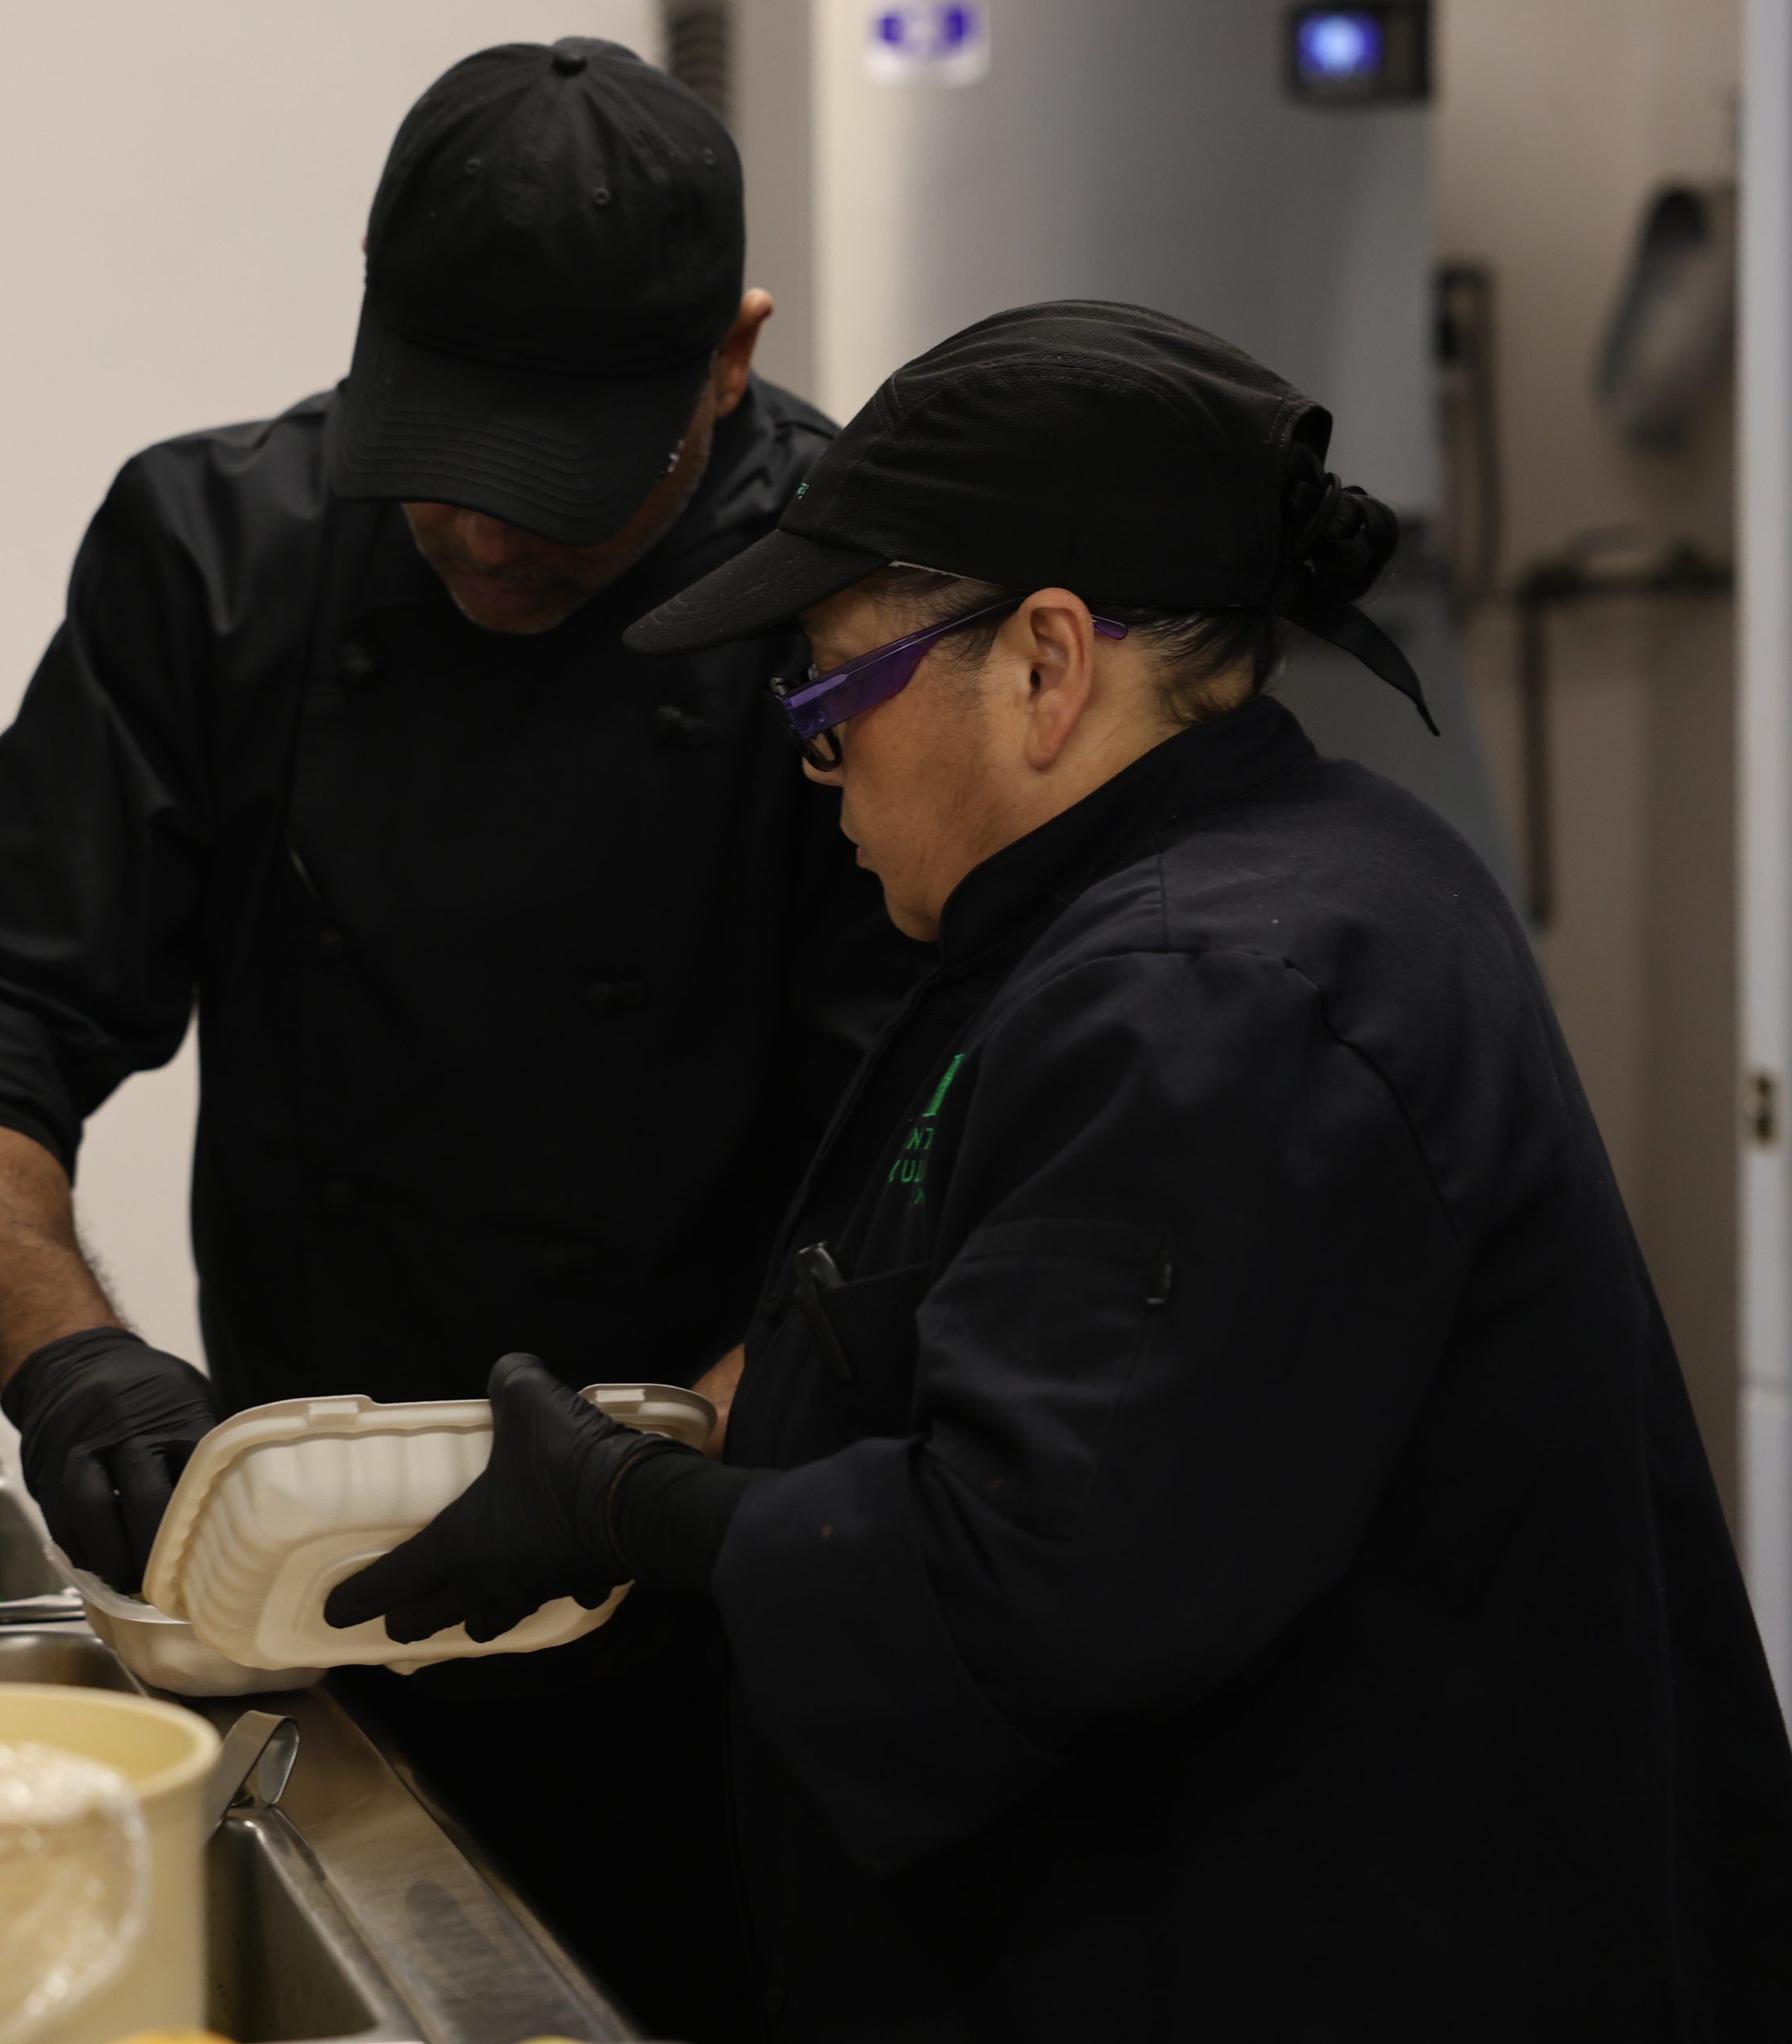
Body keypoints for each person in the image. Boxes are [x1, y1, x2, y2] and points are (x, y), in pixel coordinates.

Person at [329, 299, 1792, 2037]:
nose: (822, 754)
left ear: (1044, 661)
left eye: (836, 687)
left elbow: (1029, 1578)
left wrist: (630, 1509)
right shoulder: (1226, 881)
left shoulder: (1216, 996)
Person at [0, 38, 921, 2040]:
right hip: (305, 1609)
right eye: (445, 461)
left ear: (727, 354)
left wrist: (627, 1489)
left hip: (742, 1624)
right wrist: (73, 1364)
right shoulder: (217, 553)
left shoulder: (865, 619)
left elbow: (933, 1187)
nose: (493, 538)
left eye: (565, 494)